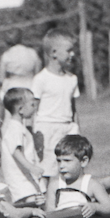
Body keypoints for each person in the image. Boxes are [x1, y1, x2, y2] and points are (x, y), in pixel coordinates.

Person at [31, 31, 81, 172]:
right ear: (54, 53)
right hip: (47, 129)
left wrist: (77, 130)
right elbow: (33, 109)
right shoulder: (41, 79)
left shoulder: (72, 79)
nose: (72, 54)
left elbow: (73, 109)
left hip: (68, 127)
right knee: (49, 169)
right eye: (68, 51)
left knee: (71, 168)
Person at [47, 134, 110, 218]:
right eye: (59, 161)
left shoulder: (91, 184)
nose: (61, 165)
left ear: (83, 161)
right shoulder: (55, 185)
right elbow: (49, 213)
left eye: (67, 160)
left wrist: (95, 207)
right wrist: (42, 205)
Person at [0, 86, 46, 204]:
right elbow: (16, 152)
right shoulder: (14, 128)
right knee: (31, 203)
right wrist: (32, 167)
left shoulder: (19, 127)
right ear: (20, 109)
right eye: (32, 105)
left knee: (38, 201)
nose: (35, 108)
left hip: (26, 178)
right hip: (21, 179)